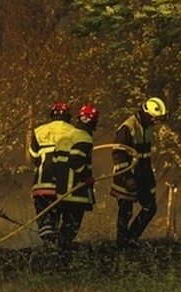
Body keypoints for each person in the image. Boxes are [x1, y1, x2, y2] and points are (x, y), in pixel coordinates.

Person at [29, 102, 98, 255]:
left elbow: (34, 158)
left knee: (46, 222)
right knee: (65, 221)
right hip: (63, 186)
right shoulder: (75, 132)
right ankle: (58, 251)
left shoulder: (39, 131)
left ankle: (51, 249)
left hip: (41, 183)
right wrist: (85, 176)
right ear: (68, 116)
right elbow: (75, 159)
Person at [110, 96, 166, 247]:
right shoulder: (127, 128)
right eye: (154, 118)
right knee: (125, 211)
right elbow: (118, 154)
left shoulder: (147, 127)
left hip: (141, 176)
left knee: (150, 207)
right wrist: (127, 178)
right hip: (125, 176)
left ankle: (131, 238)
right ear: (146, 113)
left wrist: (150, 180)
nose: (156, 122)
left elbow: (145, 157)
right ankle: (121, 242)